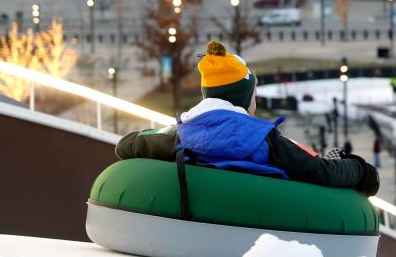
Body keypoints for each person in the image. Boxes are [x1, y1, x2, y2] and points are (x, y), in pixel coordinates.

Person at [115, 40, 379, 196]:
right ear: (242, 96)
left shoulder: (181, 136)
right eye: (253, 94)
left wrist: (161, 132)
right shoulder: (265, 139)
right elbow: (319, 172)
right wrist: (360, 170)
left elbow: (125, 145)